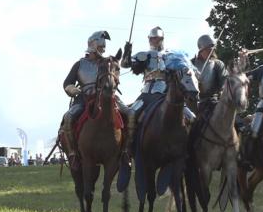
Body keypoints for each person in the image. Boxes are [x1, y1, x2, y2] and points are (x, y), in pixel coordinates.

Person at [61, 30, 135, 169]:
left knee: (130, 114)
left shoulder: (108, 62)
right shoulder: (80, 64)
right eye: (100, 46)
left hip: (107, 98)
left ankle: (126, 151)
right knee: (69, 117)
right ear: (93, 45)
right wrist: (73, 89)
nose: (103, 49)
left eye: (103, 47)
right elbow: (67, 83)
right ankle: (73, 153)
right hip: (84, 99)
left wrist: (127, 51)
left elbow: (123, 64)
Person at [123, 26, 195, 125]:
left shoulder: (172, 55)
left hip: (168, 91)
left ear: (161, 39)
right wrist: (126, 54)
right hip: (147, 92)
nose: (152, 40)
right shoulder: (144, 54)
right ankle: (130, 139)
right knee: (131, 114)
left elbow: (186, 71)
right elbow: (125, 64)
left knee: (191, 117)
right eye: (150, 38)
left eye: (155, 38)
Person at [191, 34, 228, 119]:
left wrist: (222, 91)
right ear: (201, 50)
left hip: (213, 100)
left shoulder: (218, 64)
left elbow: (224, 81)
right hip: (193, 102)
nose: (211, 51)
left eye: (212, 49)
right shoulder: (191, 64)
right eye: (208, 49)